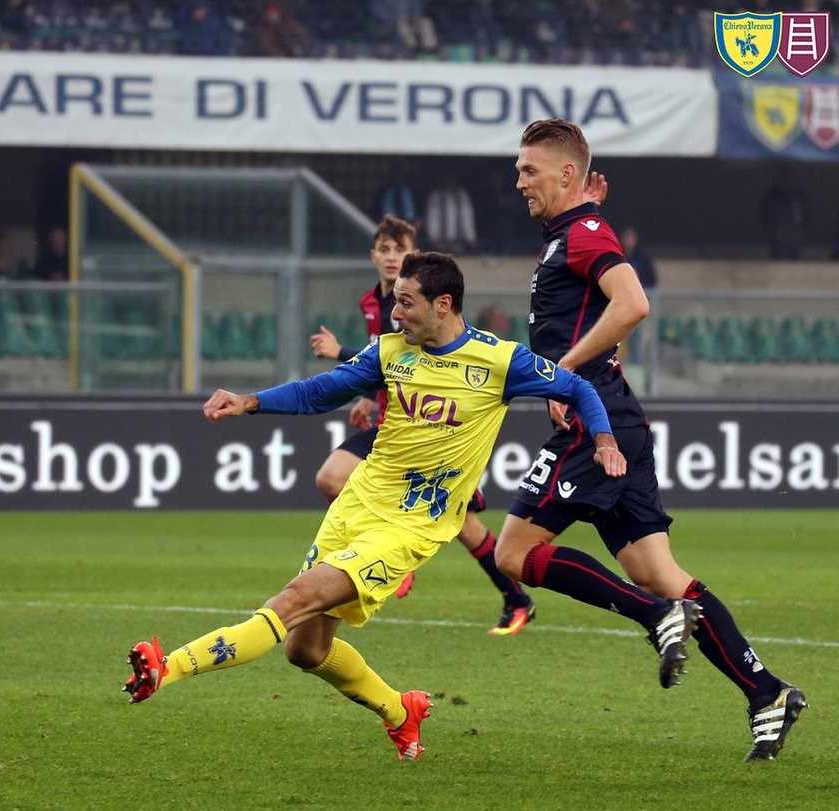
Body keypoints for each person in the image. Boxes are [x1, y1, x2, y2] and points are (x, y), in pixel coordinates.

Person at [124, 251, 656, 761]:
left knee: (293, 600)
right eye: (395, 301)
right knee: (305, 649)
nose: (395, 314)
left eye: (406, 303)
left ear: (443, 305)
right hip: (357, 506)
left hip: (409, 527)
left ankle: (167, 668)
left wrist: (604, 439)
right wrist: (250, 401)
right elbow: (320, 391)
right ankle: (402, 712)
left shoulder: (500, 360)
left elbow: (580, 388)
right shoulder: (389, 351)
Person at [497, 117, 806, 762]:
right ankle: (767, 692)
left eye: (529, 170)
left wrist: (563, 371)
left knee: (514, 553)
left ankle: (652, 616)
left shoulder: (582, 234)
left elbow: (633, 303)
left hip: (595, 421)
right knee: (660, 573)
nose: (519, 180)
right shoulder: (573, 232)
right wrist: (587, 211)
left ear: (566, 173)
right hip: (618, 419)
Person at [309, 215, 534, 634]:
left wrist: (339, 351)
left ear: (414, 256)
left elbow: (418, 358)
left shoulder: (419, 302)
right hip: (394, 427)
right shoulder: (372, 303)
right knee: (331, 477)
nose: (392, 257)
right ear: (373, 255)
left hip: (430, 431)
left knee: (464, 526)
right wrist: (365, 396)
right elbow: (384, 362)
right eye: (385, 249)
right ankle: (383, 552)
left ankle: (514, 597)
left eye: (401, 249)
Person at [619, 225, 656, 363]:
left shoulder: (643, 258)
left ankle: (636, 363)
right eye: (626, 238)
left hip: (637, 305)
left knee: (636, 335)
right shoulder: (617, 256)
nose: (628, 241)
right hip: (618, 305)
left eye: (631, 238)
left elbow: (652, 282)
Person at [759, 165, 807, 260]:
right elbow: (765, 217)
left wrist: (798, 230)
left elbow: (804, 218)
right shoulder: (771, 197)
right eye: (783, 177)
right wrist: (773, 230)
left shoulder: (798, 196)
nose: (786, 180)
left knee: (794, 256)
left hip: (795, 235)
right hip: (775, 237)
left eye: (788, 177)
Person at [423, 174, 478, 254]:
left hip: (459, 241)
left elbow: (467, 217)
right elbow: (432, 217)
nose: (451, 182)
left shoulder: (462, 195)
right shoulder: (436, 196)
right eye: (448, 180)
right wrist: (433, 237)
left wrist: (471, 238)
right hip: (440, 241)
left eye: (453, 180)